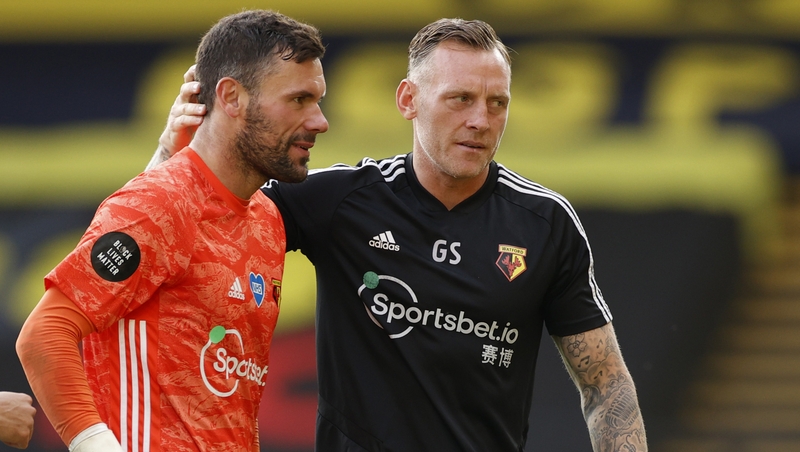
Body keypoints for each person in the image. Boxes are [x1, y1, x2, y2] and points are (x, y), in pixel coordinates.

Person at [154, 18, 648, 451]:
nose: (480, 120)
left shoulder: (545, 224)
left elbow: (606, 383)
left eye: (497, 103)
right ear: (408, 100)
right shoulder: (339, 203)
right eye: (460, 99)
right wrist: (168, 154)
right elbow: (177, 229)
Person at [16, 10, 328, 452]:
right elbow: (45, 334)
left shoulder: (266, 218)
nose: (319, 121)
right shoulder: (159, 203)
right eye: (298, 100)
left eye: (318, 100)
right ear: (232, 97)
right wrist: (96, 445)